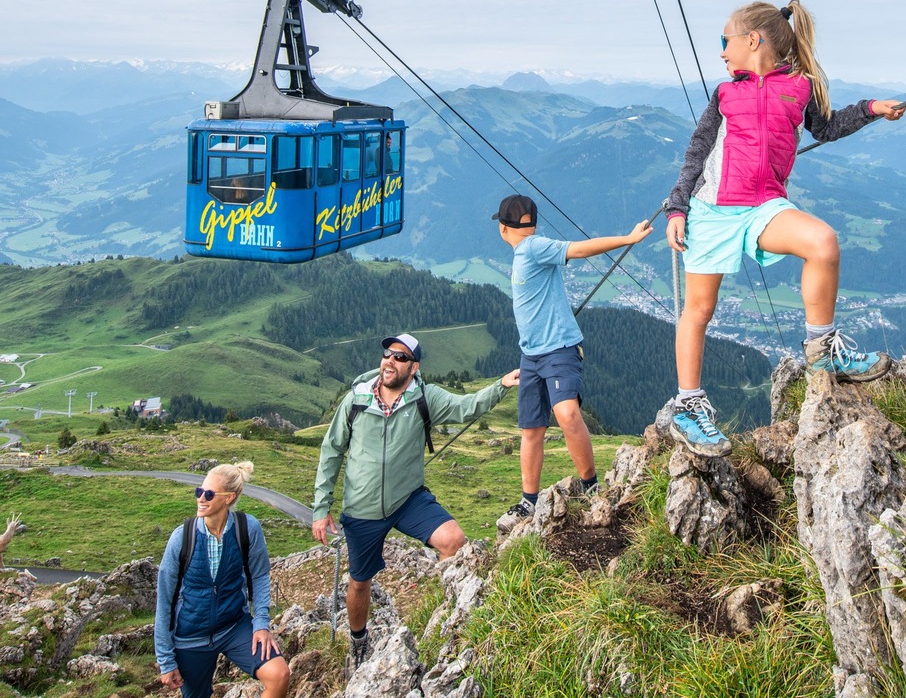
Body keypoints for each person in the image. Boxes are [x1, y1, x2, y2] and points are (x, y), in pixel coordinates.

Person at [664, 0, 906, 457]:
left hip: (764, 208)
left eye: (725, 41)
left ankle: (823, 349)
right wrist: (678, 209)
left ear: (752, 40)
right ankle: (689, 405)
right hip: (712, 210)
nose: (721, 52)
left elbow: (828, 127)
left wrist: (872, 108)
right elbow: (696, 155)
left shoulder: (799, 88)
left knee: (823, 242)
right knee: (698, 310)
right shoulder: (724, 95)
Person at [311, 333, 519, 671]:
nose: (390, 361)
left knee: (453, 540)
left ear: (415, 366)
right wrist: (321, 509)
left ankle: (448, 614)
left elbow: (466, 407)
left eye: (401, 357)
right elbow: (331, 450)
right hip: (361, 509)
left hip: (408, 499)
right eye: (388, 354)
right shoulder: (356, 400)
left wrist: (502, 385)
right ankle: (358, 639)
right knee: (360, 583)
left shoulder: (425, 397)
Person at [491, 194, 653, 533]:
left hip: (560, 349)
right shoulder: (526, 251)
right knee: (531, 429)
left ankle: (592, 487)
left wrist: (628, 238)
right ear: (531, 223)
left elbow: (579, 249)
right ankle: (529, 501)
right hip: (532, 355)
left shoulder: (533, 247)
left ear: (503, 228)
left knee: (566, 413)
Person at [154, 462, 289, 698]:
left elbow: (258, 576)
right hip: (190, 638)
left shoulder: (248, 529)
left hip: (235, 627)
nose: (201, 499)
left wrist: (261, 624)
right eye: (199, 491)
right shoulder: (181, 538)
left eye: (208, 494)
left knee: (279, 675)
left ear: (229, 498)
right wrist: (166, 659)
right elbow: (164, 601)